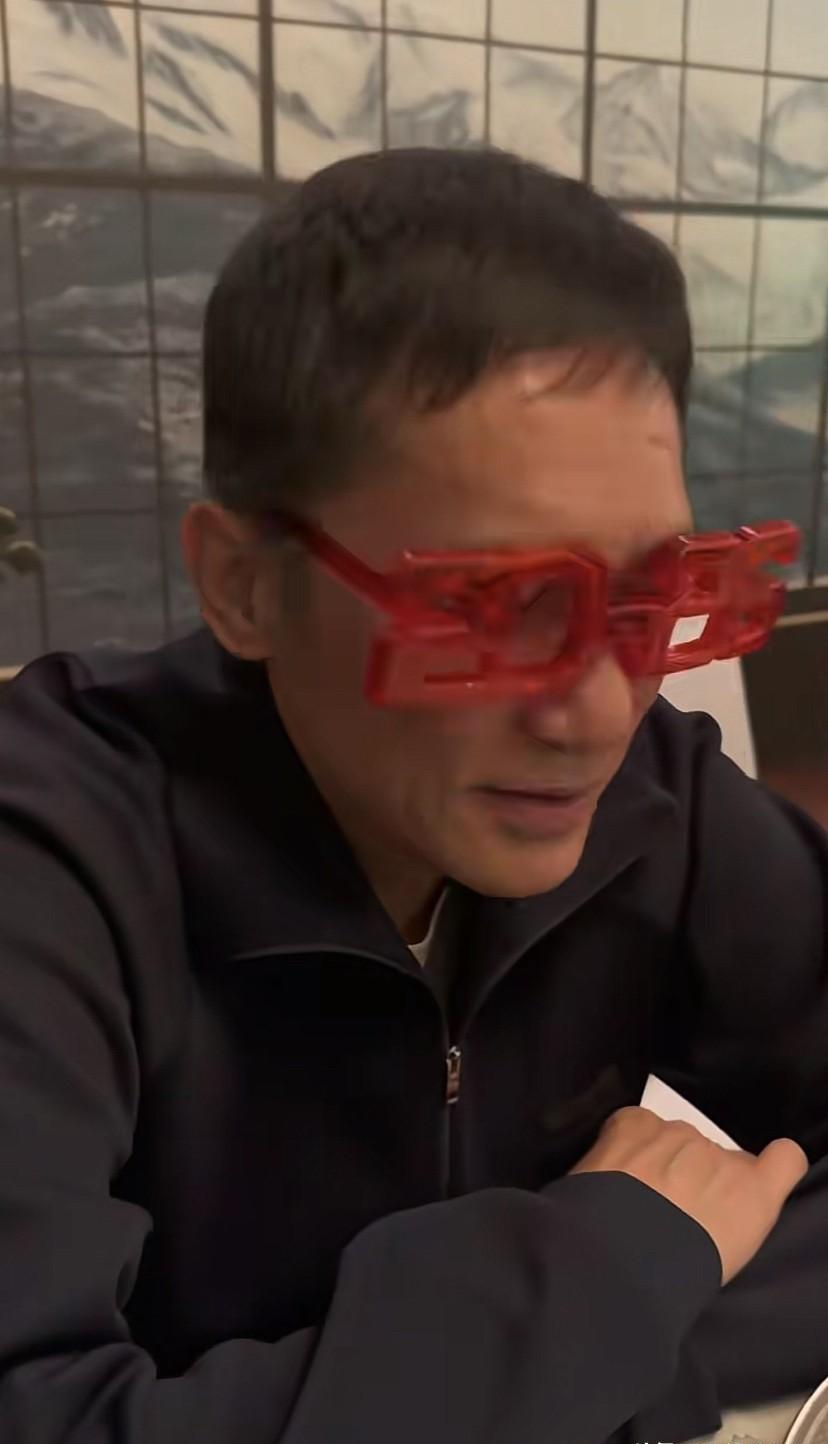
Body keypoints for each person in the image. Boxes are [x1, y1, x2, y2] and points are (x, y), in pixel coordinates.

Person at [0, 147, 826, 1444]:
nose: (596, 711)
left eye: (652, 598)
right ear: (246, 587)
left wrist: (587, 1354)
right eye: (491, 610)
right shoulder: (49, 861)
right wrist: (589, 1288)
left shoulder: (652, 793)